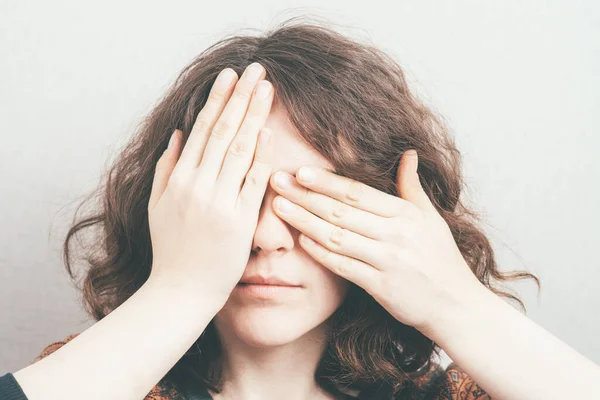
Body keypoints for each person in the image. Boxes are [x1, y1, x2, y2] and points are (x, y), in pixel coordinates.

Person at [1, 17, 599, 400]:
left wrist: (454, 302)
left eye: (307, 197)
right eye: (236, 191)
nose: (266, 236)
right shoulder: (98, 381)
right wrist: (178, 291)